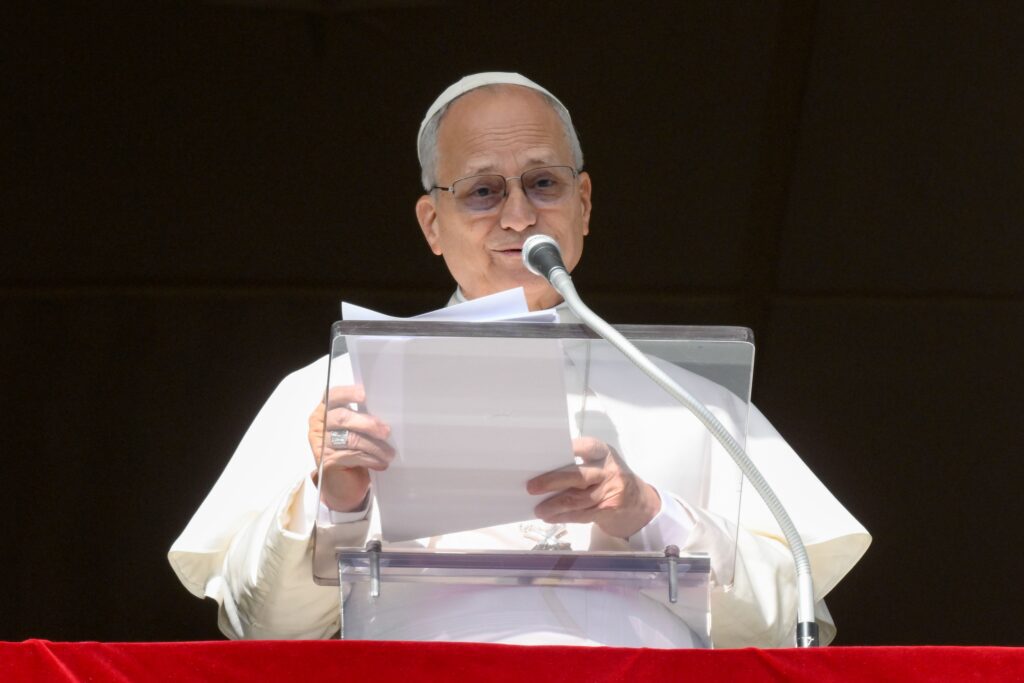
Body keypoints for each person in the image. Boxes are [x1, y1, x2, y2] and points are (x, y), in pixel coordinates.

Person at [169, 73, 870, 647]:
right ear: (432, 224)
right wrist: (335, 502)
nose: (518, 217)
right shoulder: (335, 388)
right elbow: (257, 627)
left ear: (584, 204)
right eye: (482, 191)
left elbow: (790, 624)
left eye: (543, 183)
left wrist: (649, 512)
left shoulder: (686, 395)